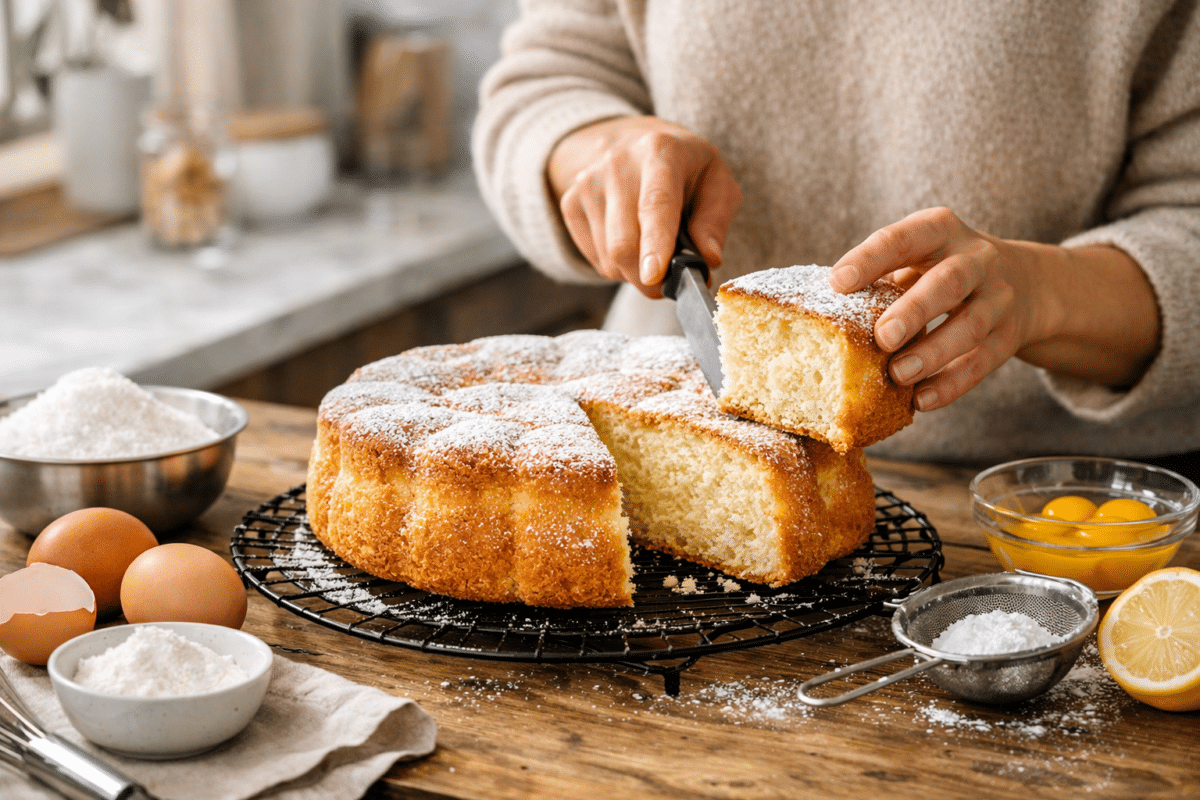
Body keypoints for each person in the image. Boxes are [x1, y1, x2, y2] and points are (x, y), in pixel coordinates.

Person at [472, 0, 1200, 466]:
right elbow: (549, 73)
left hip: (1063, 514)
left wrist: (1043, 296)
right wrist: (598, 145)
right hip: (669, 444)